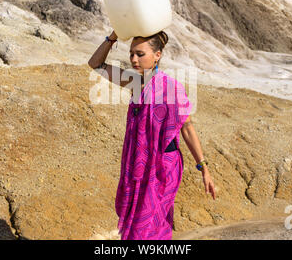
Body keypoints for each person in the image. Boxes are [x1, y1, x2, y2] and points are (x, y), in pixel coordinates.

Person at [88, 30, 216, 240]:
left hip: (163, 168)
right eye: (131, 54)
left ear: (157, 55)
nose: (133, 59)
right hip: (138, 165)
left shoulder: (171, 88)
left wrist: (204, 169)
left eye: (140, 54)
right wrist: (112, 37)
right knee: (139, 225)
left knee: (147, 227)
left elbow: (187, 128)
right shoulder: (134, 83)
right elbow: (96, 65)